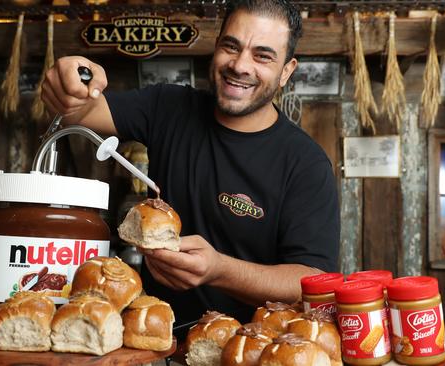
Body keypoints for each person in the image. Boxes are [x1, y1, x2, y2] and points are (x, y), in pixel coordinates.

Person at [41, 0, 340, 325]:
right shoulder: (168, 107)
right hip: (156, 343)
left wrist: (219, 270)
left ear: (286, 71)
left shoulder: (306, 164)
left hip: (253, 352)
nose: (240, 65)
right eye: (231, 46)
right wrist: (73, 78)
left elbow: (312, 284)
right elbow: (78, 112)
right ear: (216, 48)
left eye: (262, 56)